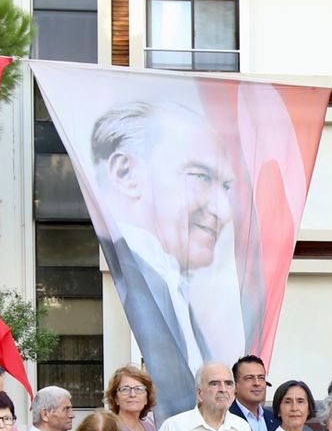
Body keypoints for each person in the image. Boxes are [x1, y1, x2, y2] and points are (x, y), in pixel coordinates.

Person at [89, 99, 253, 411]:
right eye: (201, 177)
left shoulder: (174, 284)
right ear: (125, 172)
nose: (223, 211)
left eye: (226, 187)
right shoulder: (138, 278)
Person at [233, 355, 276, 431]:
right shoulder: (225, 418)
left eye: (261, 378)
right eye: (249, 378)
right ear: (234, 386)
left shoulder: (275, 419)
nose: (257, 383)